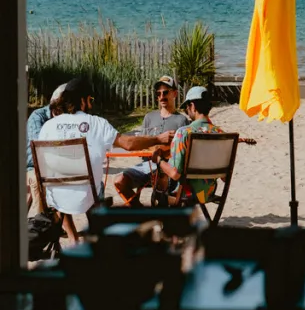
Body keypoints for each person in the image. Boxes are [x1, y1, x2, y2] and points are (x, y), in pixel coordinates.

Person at [38, 77, 172, 241]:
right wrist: (157, 139)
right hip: (86, 197)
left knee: (64, 185)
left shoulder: (48, 126)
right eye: (91, 100)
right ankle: (97, 234)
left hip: (56, 196)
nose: (91, 104)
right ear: (83, 99)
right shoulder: (95, 123)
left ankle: (74, 239)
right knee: (95, 185)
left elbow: (43, 162)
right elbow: (128, 144)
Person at [113, 75, 188, 206]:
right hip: (146, 165)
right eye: (158, 94)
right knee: (119, 180)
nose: (162, 97)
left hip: (167, 167)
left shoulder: (181, 120)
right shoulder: (149, 117)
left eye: (165, 92)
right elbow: (141, 145)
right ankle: (140, 211)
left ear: (174, 93)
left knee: (162, 178)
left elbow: (182, 151)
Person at [150, 86, 223, 206]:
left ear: (192, 106)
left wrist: (158, 160)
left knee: (159, 187)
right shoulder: (220, 133)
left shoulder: (184, 133)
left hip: (188, 193)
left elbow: (174, 174)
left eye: (186, 107)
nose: (187, 111)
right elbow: (224, 178)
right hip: (208, 192)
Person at [25, 83, 66, 213]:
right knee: (38, 181)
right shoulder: (38, 117)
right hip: (34, 165)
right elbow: (39, 147)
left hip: (55, 164)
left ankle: (58, 222)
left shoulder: (66, 119)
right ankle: (40, 223)